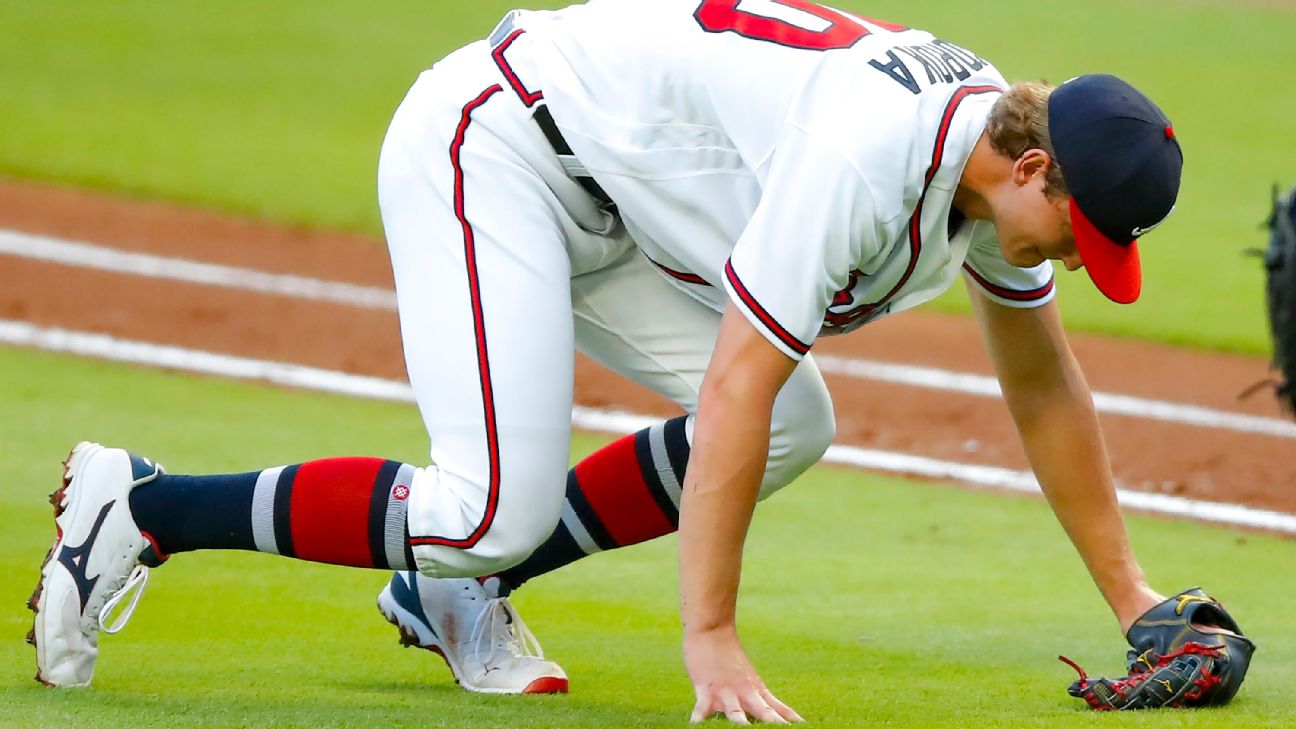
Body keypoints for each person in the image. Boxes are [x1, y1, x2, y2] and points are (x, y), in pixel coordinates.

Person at [31, 0, 1187, 722]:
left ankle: (455, 596)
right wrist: (712, 639)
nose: (1082, 265)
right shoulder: (866, 159)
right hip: (499, 146)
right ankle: (140, 507)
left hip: (621, 203)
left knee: (801, 425)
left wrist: (1134, 600)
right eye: (1085, 238)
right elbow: (735, 382)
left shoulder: (987, 169)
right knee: (485, 507)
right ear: (1037, 173)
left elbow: (1044, 386)